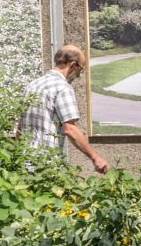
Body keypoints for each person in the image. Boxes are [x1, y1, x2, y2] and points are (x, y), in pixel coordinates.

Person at [23, 44, 110, 174]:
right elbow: (70, 129)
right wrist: (95, 158)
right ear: (72, 65)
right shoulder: (62, 88)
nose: (78, 75)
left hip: (24, 161)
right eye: (80, 70)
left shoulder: (32, 85)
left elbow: (20, 127)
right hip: (45, 165)